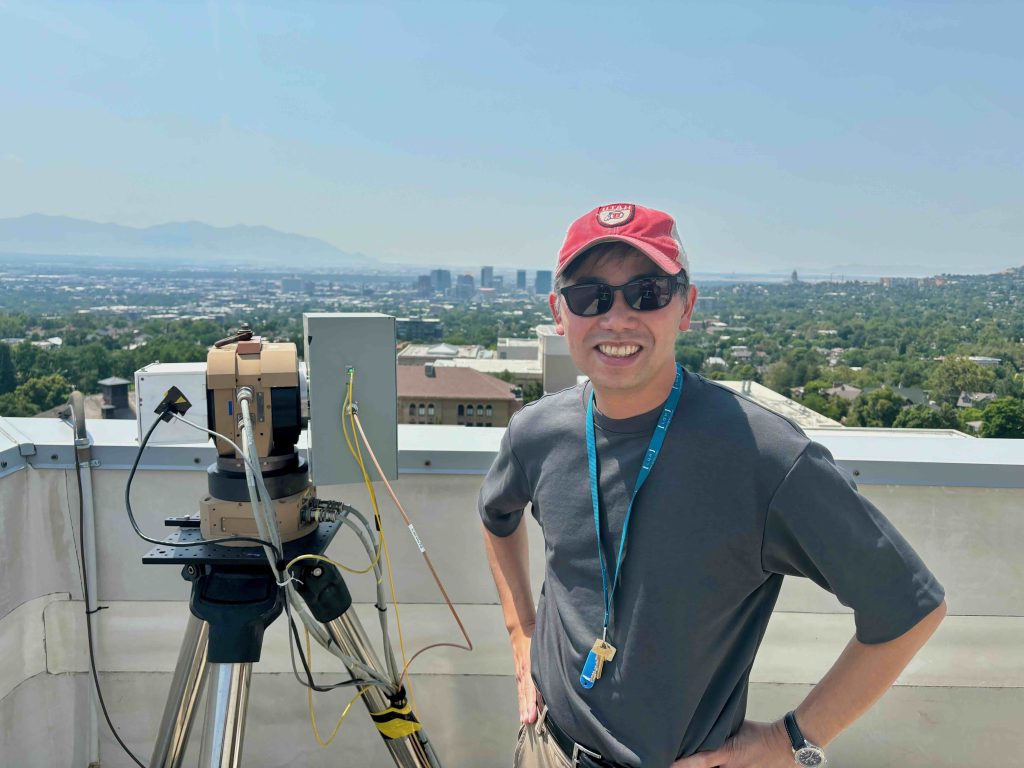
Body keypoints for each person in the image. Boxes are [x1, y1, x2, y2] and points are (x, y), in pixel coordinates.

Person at [479, 202, 946, 768]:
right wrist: (520, 632)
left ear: (686, 306)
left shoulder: (763, 455)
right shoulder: (538, 432)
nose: (617, 318)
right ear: (559, 313)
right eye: (590, 296)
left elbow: (909, 607)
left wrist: (790, 742)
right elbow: (496, 516)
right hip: (545, 746)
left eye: (647, 292)